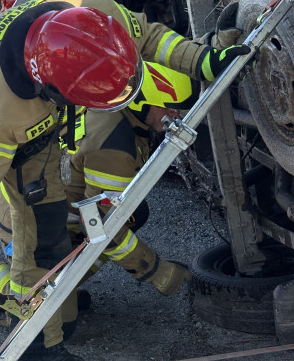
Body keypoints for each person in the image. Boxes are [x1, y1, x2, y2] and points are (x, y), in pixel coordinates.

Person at [0, 0, 250, 361]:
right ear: (53, 91)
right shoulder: (2, 110)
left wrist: (201, 59)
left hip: (37, 129)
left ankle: (36, 345)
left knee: (46, 235)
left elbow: (149, 37)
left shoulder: (93, 14)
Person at [62, 63, 199, 294]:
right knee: (61, 326)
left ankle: (67, 284)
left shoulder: (118, 112)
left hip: (53, 210)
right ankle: (58, 288)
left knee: (135, 212)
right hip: (40, 231)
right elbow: (99, 227)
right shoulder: (114, 146)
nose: (176, 115)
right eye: (169, 107)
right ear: (141, 102)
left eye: (178, 109)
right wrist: (156, 271)